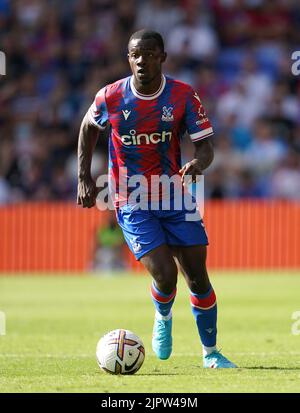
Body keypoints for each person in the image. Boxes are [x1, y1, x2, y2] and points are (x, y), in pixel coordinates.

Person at [77, 29, 236, 368]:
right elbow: (88, 128)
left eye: (149, 54)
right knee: (165, 275)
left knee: (197, 276)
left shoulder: (182, 95)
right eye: (136, 54)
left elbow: (206, 145)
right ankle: (163, 317)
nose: (142, 60)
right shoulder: (111, 96)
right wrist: (84, 178)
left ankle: (211, 354)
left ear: (162, 57)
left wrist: (198, 163)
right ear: (128, 59)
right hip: (130, 198)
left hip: (175, 195)